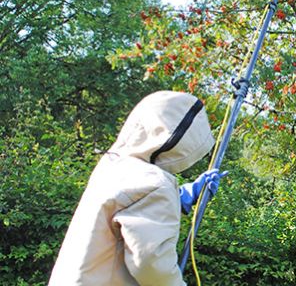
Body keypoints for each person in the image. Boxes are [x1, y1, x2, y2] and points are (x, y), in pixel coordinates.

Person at [49, 90, 226, 285]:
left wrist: (180, 196)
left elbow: (124, 203)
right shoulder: (155, 183)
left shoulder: (112, 166)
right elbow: (151, 262)